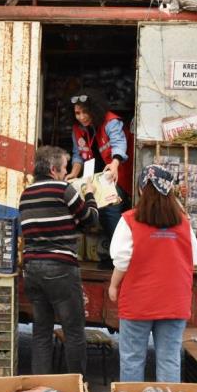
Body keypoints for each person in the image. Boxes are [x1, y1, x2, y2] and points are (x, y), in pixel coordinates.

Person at [108, 164, 197, 382]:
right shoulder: (184, 223)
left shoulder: (129, 220)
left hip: (138, 301)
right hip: (174, 302)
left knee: (132, 359)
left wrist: (113, 286)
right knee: (169, 359)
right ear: (169, 191)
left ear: (141, 189)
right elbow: (194, 259)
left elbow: (121, 260)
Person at [19, 145, 99, 375]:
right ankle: (76, 386)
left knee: (41, 333)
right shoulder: (64, 189)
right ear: (54, 169)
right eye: (65, 168)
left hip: (32, 268)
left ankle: (42, 390)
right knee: (73, 331)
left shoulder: (26, 194)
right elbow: (90, 219)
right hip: (61, 269)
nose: (66, 173)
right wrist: (91, 193)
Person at [66, 88, 132, 270]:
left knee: (110, 210)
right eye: (77, 113)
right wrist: (73, 172)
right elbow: (78, 155)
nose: (81, 117)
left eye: (85, 112)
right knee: (93, 212)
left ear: (95, 110)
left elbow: (120, 144)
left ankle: (119, 259)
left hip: (115, 174)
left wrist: (115, 163)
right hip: (92, 178)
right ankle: (110, 254)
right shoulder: (77, 129)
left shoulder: (111, 122)